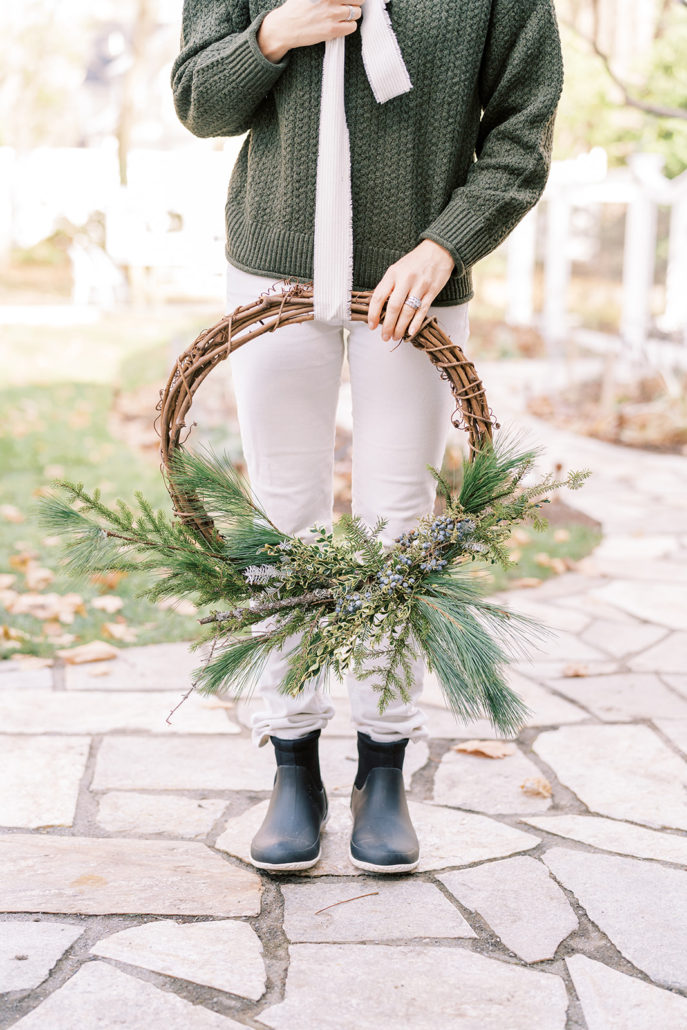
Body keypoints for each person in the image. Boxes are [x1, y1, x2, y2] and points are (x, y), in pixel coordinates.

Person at [171, 0, 564, 873]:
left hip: (414, 284)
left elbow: (522, 132)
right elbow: (200, 100)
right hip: (273, 261)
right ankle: (293, 764)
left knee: (398, 524)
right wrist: (274, 32)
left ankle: (381, 767)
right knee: (285, 521)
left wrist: (445, 246)